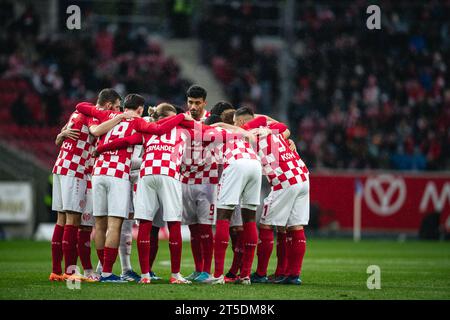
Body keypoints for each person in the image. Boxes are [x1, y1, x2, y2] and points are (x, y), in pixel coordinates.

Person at [75, 95, 186, 283]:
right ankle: (109, 273)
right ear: (140, 109)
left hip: (98, 172)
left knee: (100, 225)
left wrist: (101, 147)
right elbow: (158, 129)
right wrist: (182, 117)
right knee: (115, 225)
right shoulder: (138, 121)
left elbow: (80, 105)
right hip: (118, 174)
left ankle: (102, 270)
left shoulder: (108, 115)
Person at [49, 88, 126, 282]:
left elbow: (61, 136)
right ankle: (70, 271)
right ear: (108, 106)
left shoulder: (78, 112)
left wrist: (61, 135)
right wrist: (121, 117)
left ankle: (57, 270)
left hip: (61, 167)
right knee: (73, 221)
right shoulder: (94, 114)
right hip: (75, 170)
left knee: (63, 220)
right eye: (116, 107)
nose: (117, 110)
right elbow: (94, 131)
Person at [235, 107, 309, 285]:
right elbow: (284, 127)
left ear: (242, 122)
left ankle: (260, 273)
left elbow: (246, 128)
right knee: (294, 226)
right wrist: (266, 124)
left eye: (236, 123)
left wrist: (251, 123)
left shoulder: (250, 132)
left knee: (266, 225)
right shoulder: (275, 131)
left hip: (285, 181)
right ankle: (293, 275)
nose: (234, 126)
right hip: (303, 176)